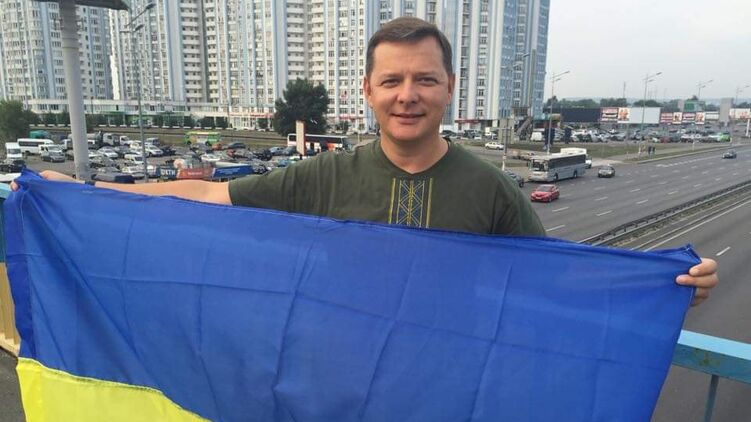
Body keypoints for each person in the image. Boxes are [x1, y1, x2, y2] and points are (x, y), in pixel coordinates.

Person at [11, 17, 717, 305]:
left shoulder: (492, 189)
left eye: (424, 79)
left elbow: (553, 281)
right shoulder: (325, 174)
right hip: (337, 375)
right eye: (392, 81)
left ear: (449, 88)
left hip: (447, 382)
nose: (408, 95)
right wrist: (86, 193)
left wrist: (666, 284)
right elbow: (206, 198)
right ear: (368, 92)